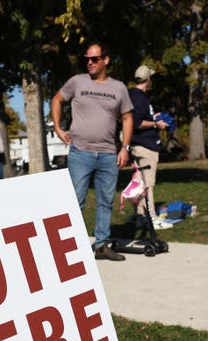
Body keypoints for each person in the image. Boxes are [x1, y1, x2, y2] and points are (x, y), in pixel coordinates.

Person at [51, 42, 134, 261]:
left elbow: (127, 118)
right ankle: (69, 249)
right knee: (76, 201)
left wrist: (124, 148)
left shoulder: (118, 88)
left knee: (105, 202)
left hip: (108, 154)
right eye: (87, 58)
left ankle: (102, 246)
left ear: (106, 60)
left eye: (94, 59)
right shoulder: (77, 82)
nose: (89, 62)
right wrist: (58, 128)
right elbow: (57, 100)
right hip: (80, 153)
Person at [127, 65, 171, 229]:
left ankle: (140, 217)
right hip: (146, 146)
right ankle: (152, 219)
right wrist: (155, 123)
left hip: (138, 145)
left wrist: (153, 116)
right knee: (148, 185)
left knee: (139, 184)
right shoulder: (139, 98)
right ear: (147, 79)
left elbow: (138, 117)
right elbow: (137, 122)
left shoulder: (133, 96)